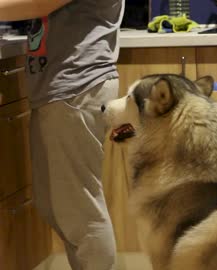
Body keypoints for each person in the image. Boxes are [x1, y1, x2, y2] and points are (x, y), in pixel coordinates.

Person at [0, 0, 124, 269]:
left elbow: (38, 3)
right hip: (63, 88)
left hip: (75, 86)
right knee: (59, 208)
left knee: (80, 215)